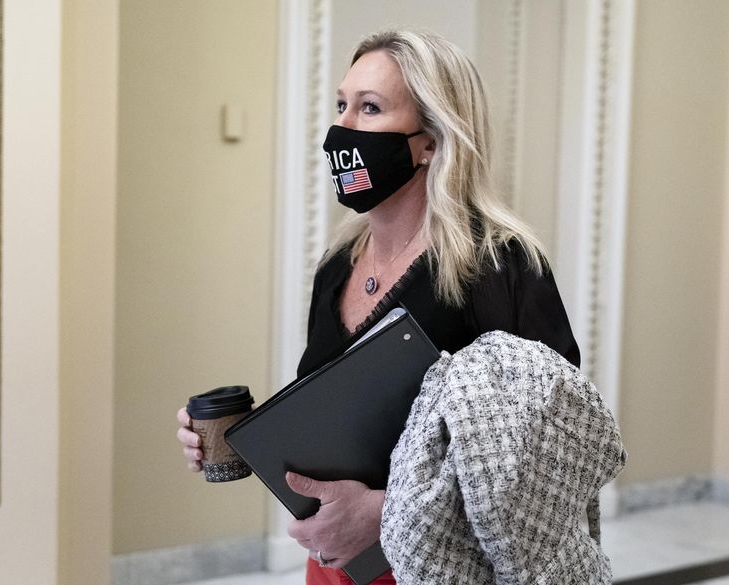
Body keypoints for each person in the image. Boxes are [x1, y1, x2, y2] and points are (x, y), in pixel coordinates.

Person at [177, 29, 580, 585]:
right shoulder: (338, 263)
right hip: (335, 560)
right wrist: (243, 440)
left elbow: (552, 450)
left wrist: (387, 514)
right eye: (342, 105)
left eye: (370, 109)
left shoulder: (500, 264)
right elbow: (343, 414)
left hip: (444, 569)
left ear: (432, 140)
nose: (344, 128)